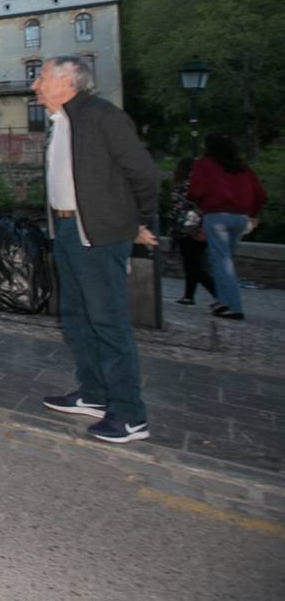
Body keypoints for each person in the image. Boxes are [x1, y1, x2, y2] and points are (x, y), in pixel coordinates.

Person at [33, 55, 161, 444]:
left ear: (67, 80)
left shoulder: (101, 115)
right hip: (68, 230)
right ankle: (94, 394)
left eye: (41, 76)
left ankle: (129, 414)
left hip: (98, 234)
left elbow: (143, 172)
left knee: (107, 321)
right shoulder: (60, 124)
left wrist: (136, 219)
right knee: (76, 318)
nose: (35, 84)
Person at [188, 134, 266, 321]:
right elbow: (260, 195)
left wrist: (199, 204)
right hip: (240, 218)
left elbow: (195, 191)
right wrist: (253, 214)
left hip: (217, 216)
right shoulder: (242, 168)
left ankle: (233, 306)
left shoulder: (204, 164)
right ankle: (223, 302)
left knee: (222, 262)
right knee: (225, 260)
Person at [167, 157, 215, 307]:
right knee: (194, 263)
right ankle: (189, 295)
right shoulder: (203, 184)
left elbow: (178, 209)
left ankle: (219, 294)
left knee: (193, 265)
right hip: (201, 227)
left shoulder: (182, 186)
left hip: (186, 228)